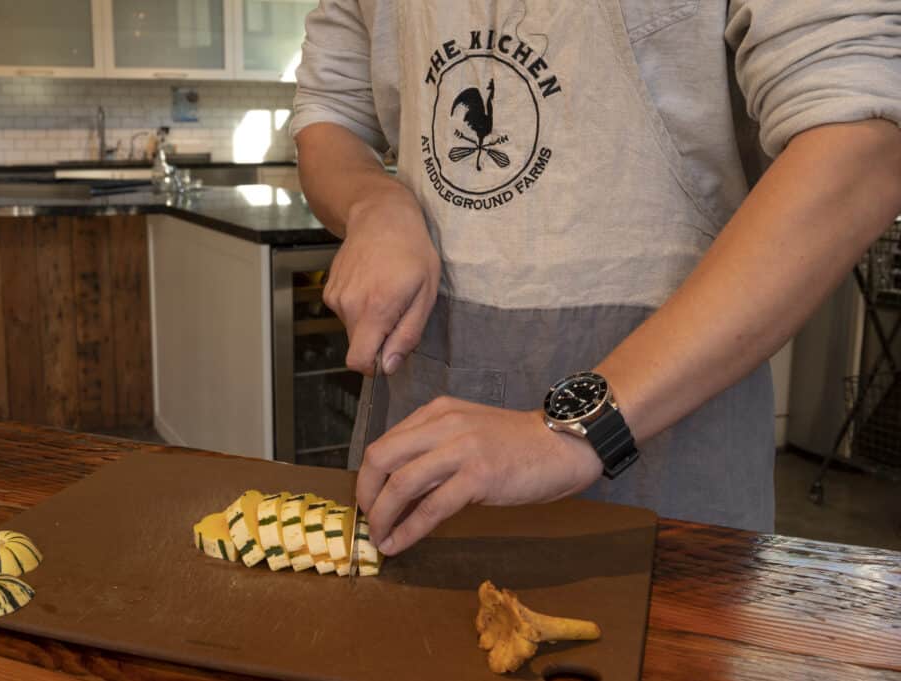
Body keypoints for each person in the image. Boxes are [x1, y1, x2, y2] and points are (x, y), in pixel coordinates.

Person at [290, 0, 901, 556]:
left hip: (668, 446)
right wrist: (373, 204)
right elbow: (330, 115)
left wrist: (578, 428)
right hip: (423, 417)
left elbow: (861, 141)